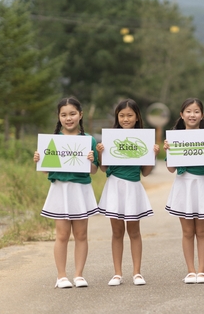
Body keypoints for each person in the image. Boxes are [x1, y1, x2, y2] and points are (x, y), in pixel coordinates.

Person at [33, 97, 99, 289]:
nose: (68, 118)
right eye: (64, 115)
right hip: (60, 189)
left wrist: (91, 160)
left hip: (80, 190)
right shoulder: (52, 140)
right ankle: (61, 276)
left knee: (81, 234)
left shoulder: (89, 140)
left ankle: (79, 275)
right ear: (59, 117)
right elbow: (46, 170)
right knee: (62, 235)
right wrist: (39, 159)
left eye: (72, 114)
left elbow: (94, 170)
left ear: (80, 115)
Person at [96, 99, 159, 287]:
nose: (125, 119)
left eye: (129, 115)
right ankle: (117, 273)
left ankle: (137, 273)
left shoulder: (143, 139)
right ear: (117, 117)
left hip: (133, 186)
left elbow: (145, 172)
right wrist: (100, 152)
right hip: (114, 186)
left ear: (137, 117)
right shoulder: (110, 138)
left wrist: (153, 155)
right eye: (122, 115)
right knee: (116, 232)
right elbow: (103, 168)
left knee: (134, 231)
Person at [163, 98, 204, 284]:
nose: (192, 115)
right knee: (187, 232)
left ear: (202, 115)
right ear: (181, 115)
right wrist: (168, 151)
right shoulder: (174, 138)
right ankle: (191, 271)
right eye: (188, 111)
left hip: (202, 184)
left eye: (196, 111)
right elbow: (171, 169)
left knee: (202, 231)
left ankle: (202, 270)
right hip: (184, 185)